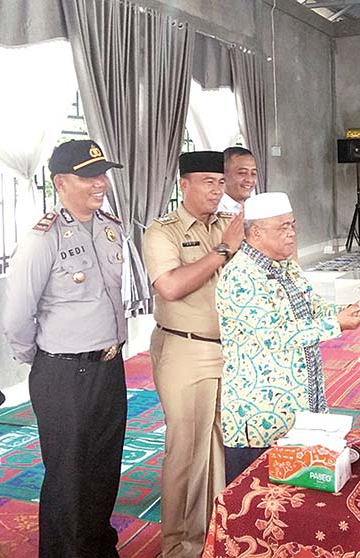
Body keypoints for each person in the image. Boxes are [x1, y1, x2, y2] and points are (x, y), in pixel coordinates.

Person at [3, 139, 127, 558]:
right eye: (89, 176)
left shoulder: (112, 228)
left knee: (103, 470)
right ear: (60, 182)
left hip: (110, 367)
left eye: (103, 174)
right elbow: (17, 316)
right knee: (68, 478)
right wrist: (41, 361)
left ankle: (98, 547)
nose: (101, 184)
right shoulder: (43, 238)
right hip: (62, 374)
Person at [216, 192, 360, 483]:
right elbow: (273, 336)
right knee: (255, 499)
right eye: (282, 227)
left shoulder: (285, 266)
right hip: (260, 412)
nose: (291, 234)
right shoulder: (241, 276)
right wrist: (335, 324)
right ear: (256, 233)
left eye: (293, 225)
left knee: (295, 498)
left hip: (299, 405)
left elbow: (313, 307)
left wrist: (350, 311)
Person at [142, 150, 243, 558]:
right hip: (186, 348)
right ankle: (179, 548)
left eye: (221, 183)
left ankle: (214, 537)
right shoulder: (161, 231)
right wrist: (222, 250)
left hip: (230, 351)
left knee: (221, 448)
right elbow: (170, 286)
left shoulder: (229, 225)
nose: (217, 191)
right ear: (184, 185)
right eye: (207, 183)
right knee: (186, 451)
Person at [217, 146, 257, 214]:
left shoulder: (257, 208)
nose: (249, 180)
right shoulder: (214, 210)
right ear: (223, 174)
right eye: (242, 173)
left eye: (253, 173)